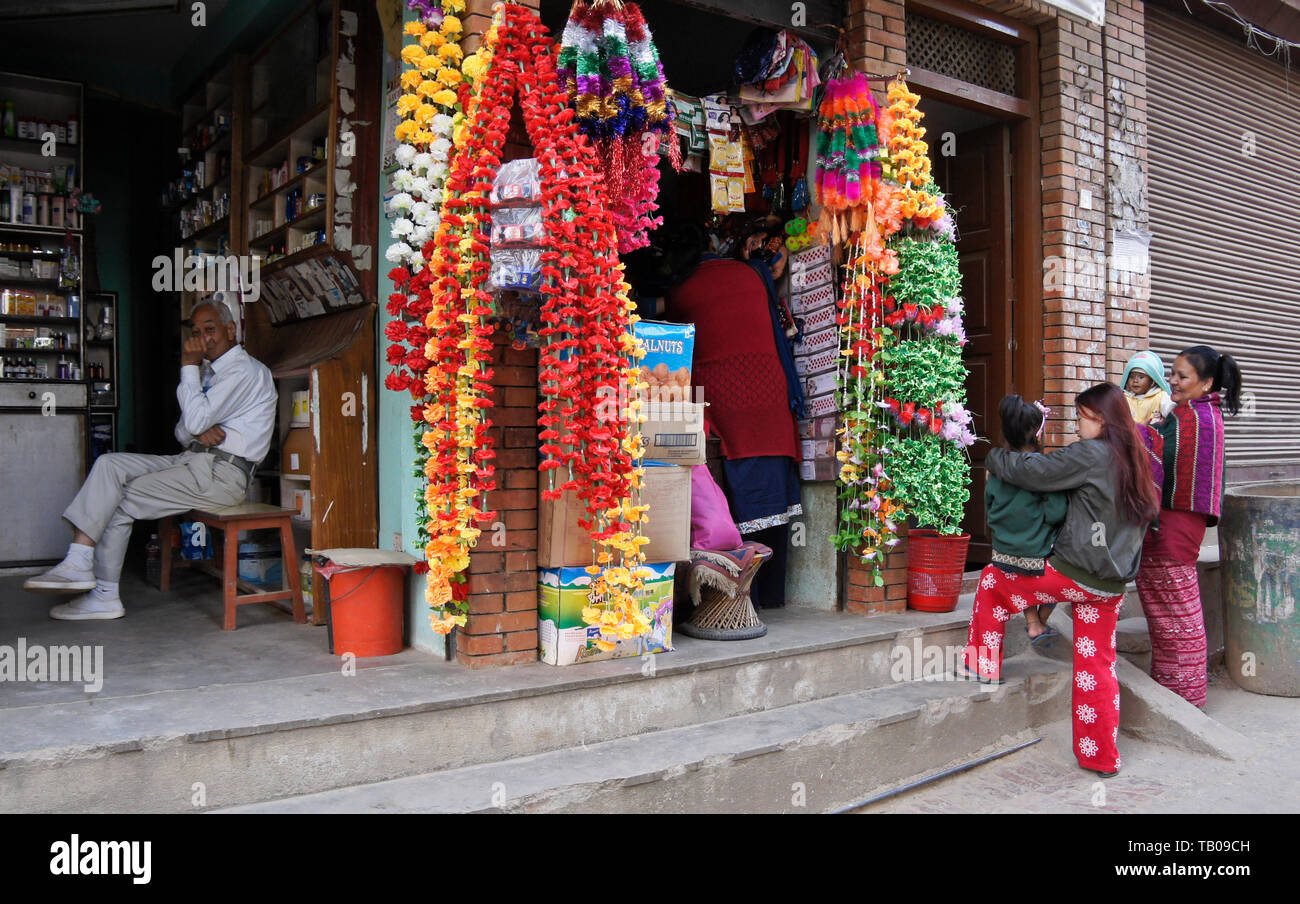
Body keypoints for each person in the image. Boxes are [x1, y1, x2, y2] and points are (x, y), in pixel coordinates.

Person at [24, 302, 277, 620]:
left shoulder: (243, 371)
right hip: (193, 461)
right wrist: (199, 427)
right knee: (109, 465)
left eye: (210, 329)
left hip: (222, 476)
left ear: (230, 330)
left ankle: (104, 595)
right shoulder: (211, 373)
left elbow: (194, 423)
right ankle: (78, 558)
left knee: (119, 499)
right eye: (196, 332)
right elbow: (183, 431)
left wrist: (187, 367)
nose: (203, 338)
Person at [962, 382, 1159, 777]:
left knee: (992, 581)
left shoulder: (1092, 453)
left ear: (1100, 419)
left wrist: (995, 458)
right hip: (1110, 586)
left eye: (1081, 418)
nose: (1077, 426)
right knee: (1097, 665)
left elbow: (1034, 471)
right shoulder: (1136, 455)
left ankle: (983, 663)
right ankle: (1100, 756)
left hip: (1075, 574)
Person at [1136, 344, 1242, 708]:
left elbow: (1155, 458)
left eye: (1182, 376)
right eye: (1172, 374)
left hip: (1173, 525)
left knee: (1174, 615)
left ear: (1207, 382)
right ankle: (1180, 693)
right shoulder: (1198, 414)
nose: (1173, 382)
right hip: (1183, 524)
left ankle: (1182, 698)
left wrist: (1131, 430)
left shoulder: (1190, 420)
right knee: (1174, 612)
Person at [984, 395, 1068, 643]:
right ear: (1036, 433)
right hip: (1036, 552)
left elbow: (989, 502)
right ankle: (1040, 621)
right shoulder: (1043, 468)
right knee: (1063, 574)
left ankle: (1033, 623)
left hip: (1002, 551)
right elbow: (1056, 512)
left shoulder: (996, 464)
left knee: (1018, 579)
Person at [1122, 349, 1175, 425]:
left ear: (1152, 380)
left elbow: (1174, 413)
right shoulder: (1124, 399)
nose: (1135, 381)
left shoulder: (1161, 396)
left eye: (1141, 377)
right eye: (1131, 377)